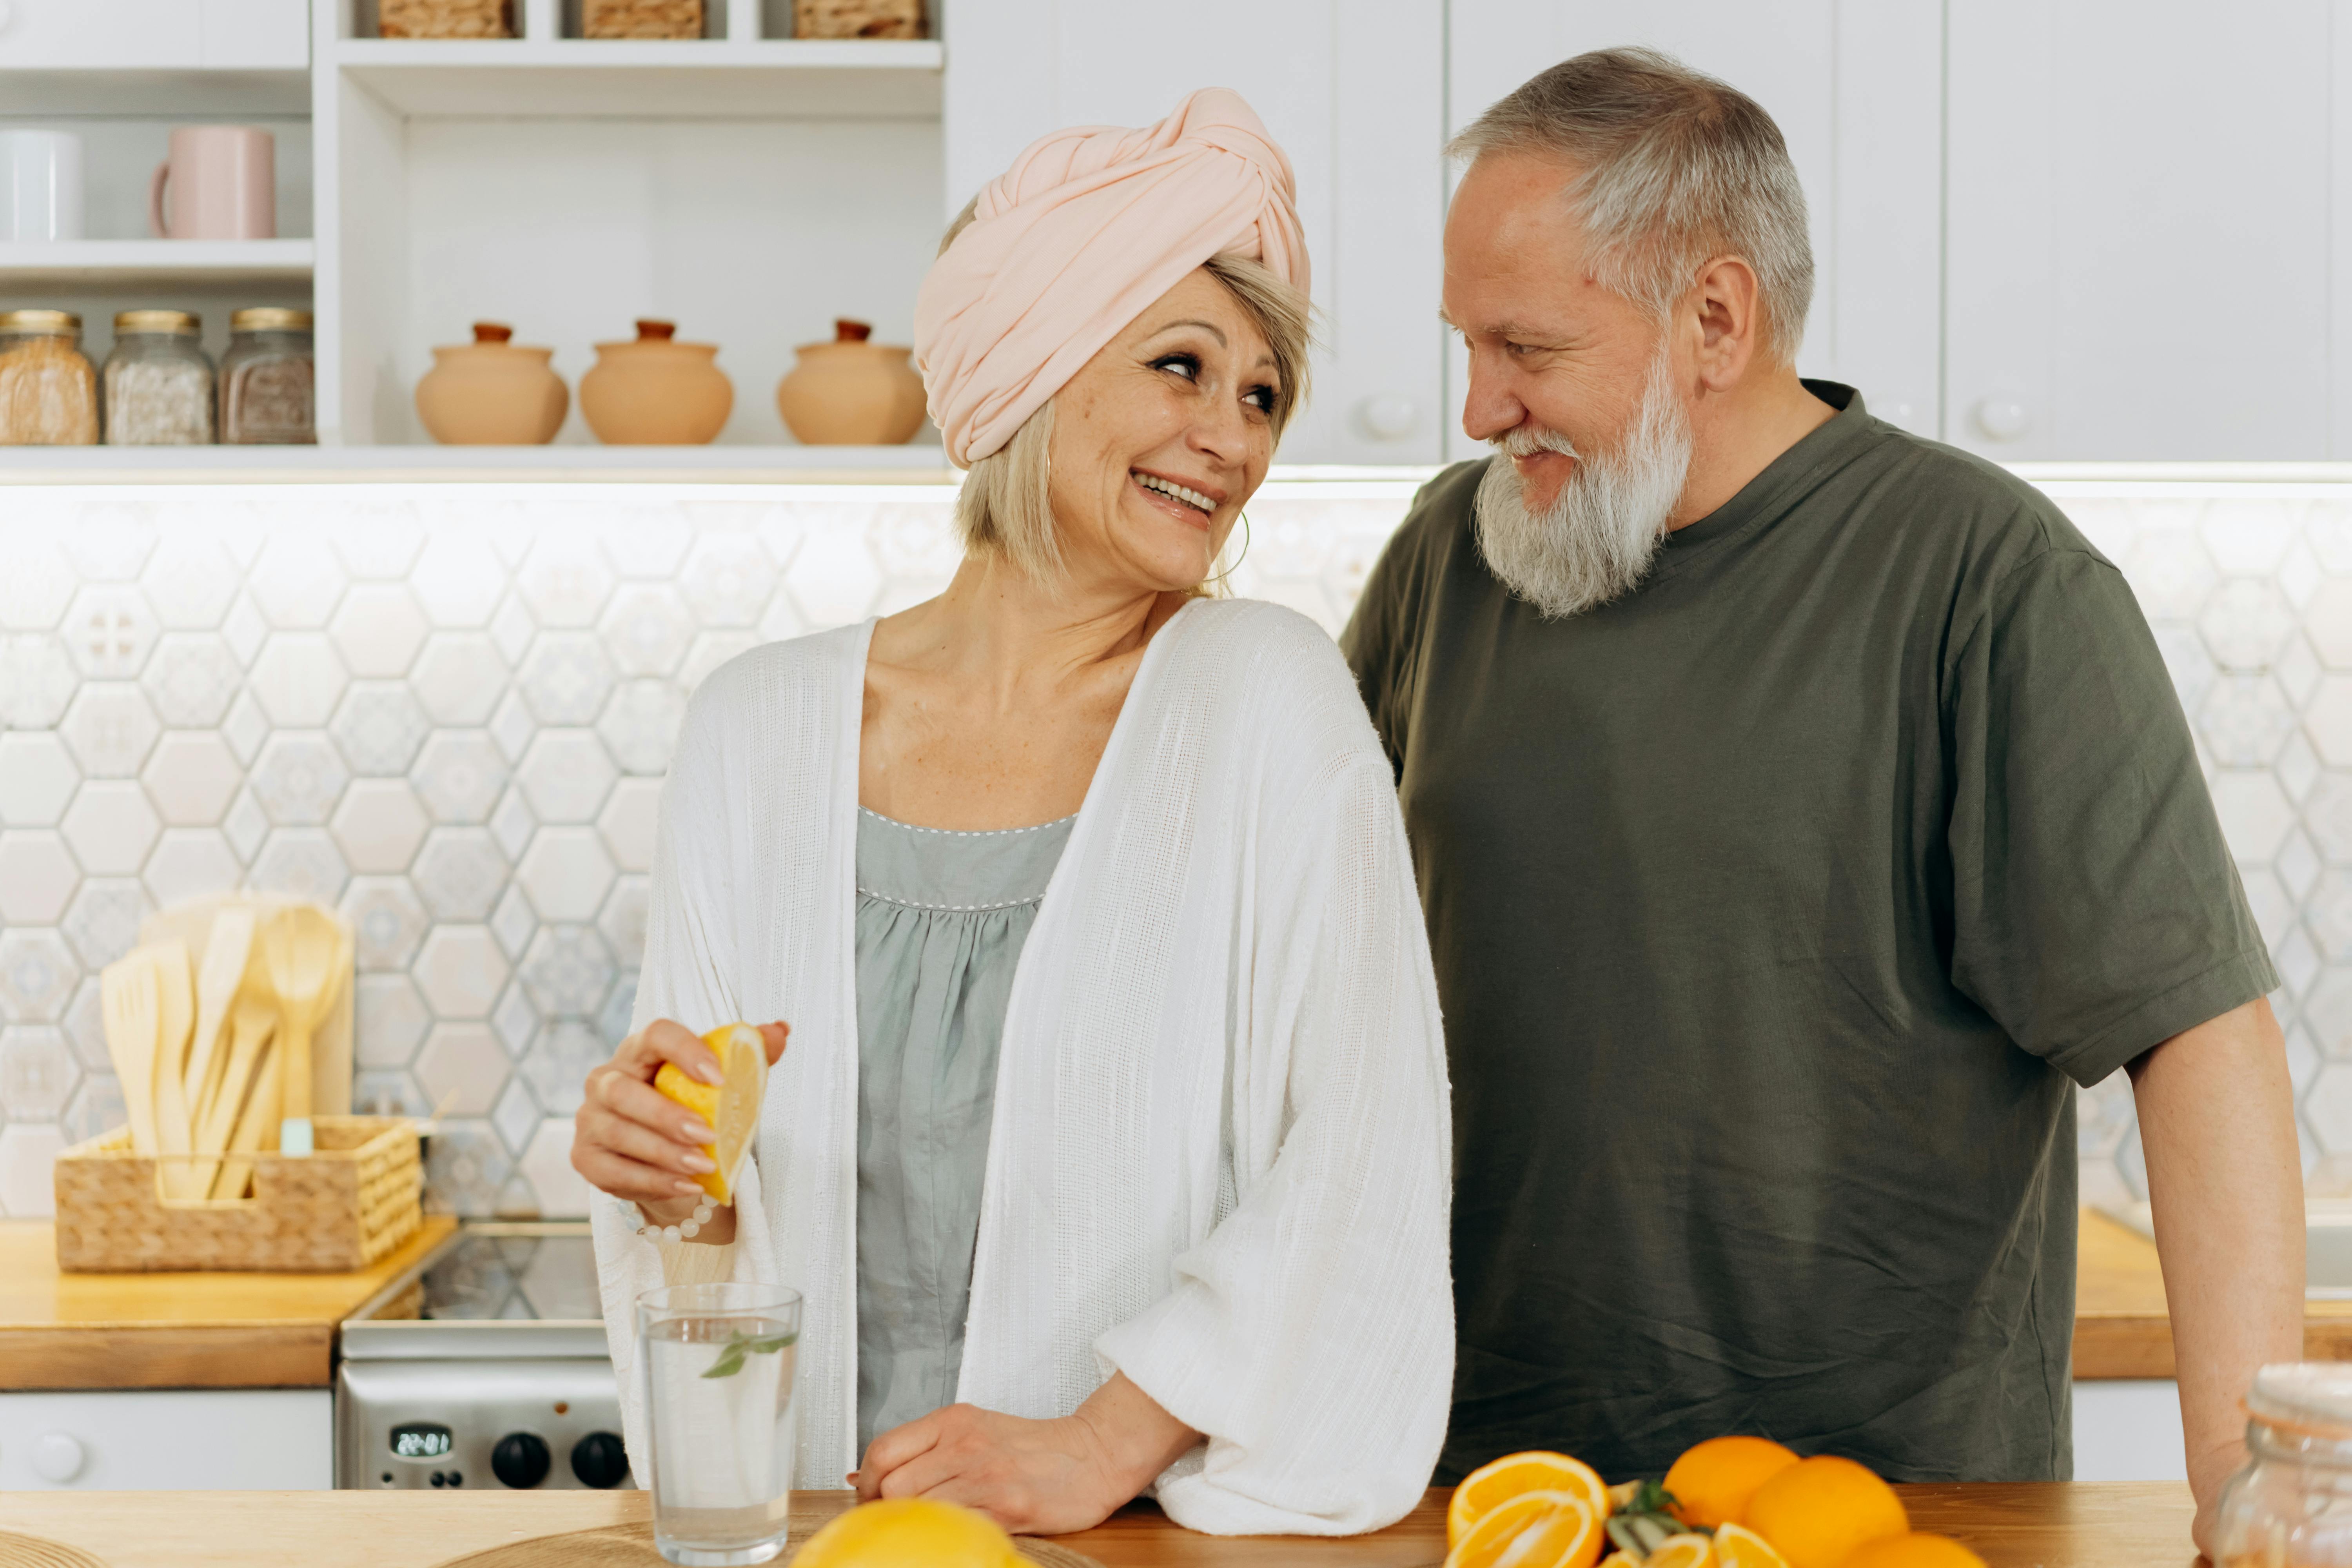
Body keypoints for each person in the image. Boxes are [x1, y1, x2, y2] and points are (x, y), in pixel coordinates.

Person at [1341, 47, 2302, 1557]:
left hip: (1879, 1514)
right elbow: (1297, 973)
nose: (1475, 406)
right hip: (1479, 1496)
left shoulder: (1986, 582)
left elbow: (2198, 1041)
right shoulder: (1451, 559)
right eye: (1464, 343)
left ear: (1714, 319)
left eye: (1525, 346)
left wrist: (2256, 1504)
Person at [574, 88, 1453, 1538]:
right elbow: (719, 1252)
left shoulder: (1265, 703)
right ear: (1030, 371)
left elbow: (1364, 1143)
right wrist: (667, 1177)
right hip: (818, 1533)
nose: (1230, 439)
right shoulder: (757, 730)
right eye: (1182, 366)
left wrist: (1094, 1446)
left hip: (1123, 1535)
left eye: (1260, 396)